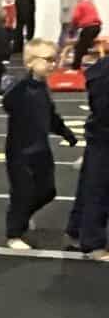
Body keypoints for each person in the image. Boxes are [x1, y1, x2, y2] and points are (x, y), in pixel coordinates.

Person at [3, 39, 78, 250]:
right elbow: (7, 101)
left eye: (54, 60)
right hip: (20, 152)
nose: (53, 64)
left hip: (41, 149)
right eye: (48, 60)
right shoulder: (21, 88)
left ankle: (23, 216)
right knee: (22, 193)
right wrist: (22, 83)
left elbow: (50, 115)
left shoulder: (43, 87)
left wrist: (66, 133)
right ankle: (14, 233)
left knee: (48, 191)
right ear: (30, 62)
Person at [65, 51, 109, 259]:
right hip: (104, 136)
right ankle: (92, 243)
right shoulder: (104, 74)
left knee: (90, 186)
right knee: (99, 189)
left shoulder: (101, 70)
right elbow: (103, 110)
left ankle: (76, 231)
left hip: (99, 134)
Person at [70, 0, 102, 72]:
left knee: (79, 47)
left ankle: (75, 67)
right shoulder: (91, 4)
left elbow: (75, 17)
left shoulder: (80, 5)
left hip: (88, 28)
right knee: (85, 42)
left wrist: (73, 28)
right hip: (97, 27)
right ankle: (87, 49)